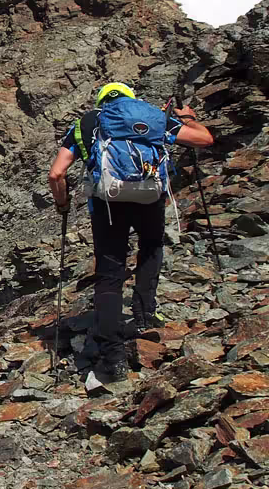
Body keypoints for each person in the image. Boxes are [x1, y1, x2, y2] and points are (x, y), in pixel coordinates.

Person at [47, 82, 214, 377]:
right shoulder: (152, 116)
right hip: (149, 196)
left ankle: (113, 356)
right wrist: (187, 117)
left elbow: (56, 173)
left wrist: (62, 205)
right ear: (130, 98)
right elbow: (204, 139)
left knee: (109, 273)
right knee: (151, 246)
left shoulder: (86, 123)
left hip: (106, 203)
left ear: (101, 101)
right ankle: (144, 316)